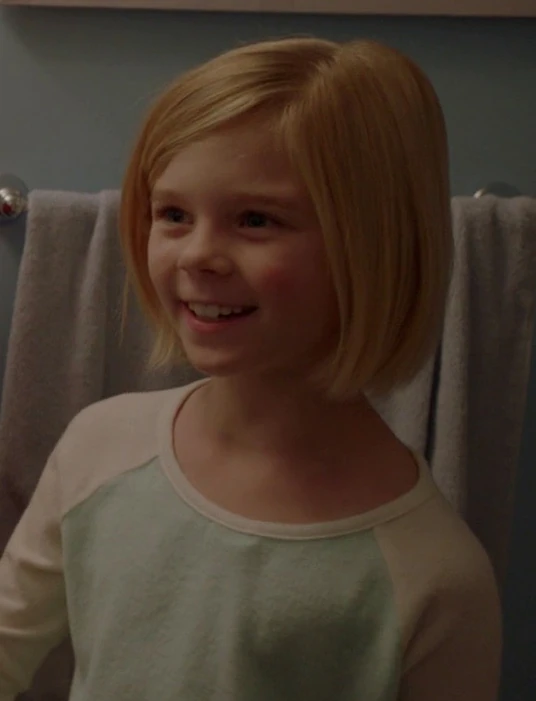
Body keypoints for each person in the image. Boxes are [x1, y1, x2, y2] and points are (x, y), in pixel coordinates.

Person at [0, 37, 501, 701]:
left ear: (372, 247)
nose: (196, 255)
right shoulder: (100, 447)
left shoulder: (433, 578)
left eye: (256, 219)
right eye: (173, 214)